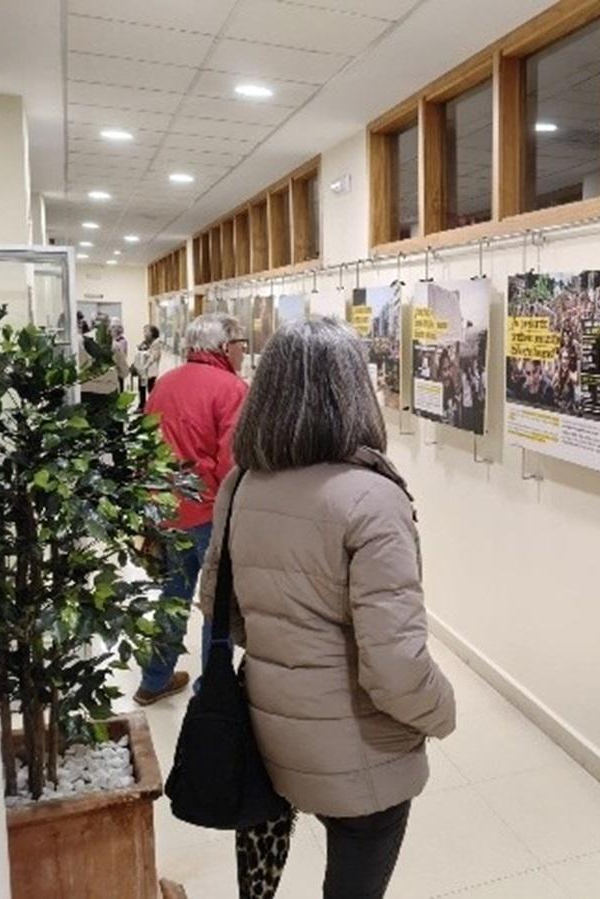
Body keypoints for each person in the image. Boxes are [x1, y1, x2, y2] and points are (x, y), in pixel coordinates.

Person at [200, 317, 455, 898]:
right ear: (353, 391)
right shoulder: (372, 498)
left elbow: (222, 610)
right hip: (361, 751)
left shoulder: (242, 484)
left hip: (267, 729)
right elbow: (396, 665)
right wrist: (442, 712)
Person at [134, 313, 249, 705]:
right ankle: (211, 693)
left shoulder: (165, 383)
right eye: (240, 344)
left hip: (166, 507)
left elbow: (146, 444)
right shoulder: (232, 389)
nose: (243, 352)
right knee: (218, 603)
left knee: (173, 594)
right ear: (224, 347)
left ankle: (153, 679)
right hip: (209, 512)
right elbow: (231, 463)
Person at [135, 324, 163, 410]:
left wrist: (146, 353)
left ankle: (153, 406)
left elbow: (154, 357)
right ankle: (142, 405)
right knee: (141, 388)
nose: (145, 334)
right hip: (143, 371)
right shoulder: (146, 343)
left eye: (146, 331)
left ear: (152, 333)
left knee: (151, 389)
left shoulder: (157, 344)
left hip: (150, 371)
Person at [110, 318, 130, 393]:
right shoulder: (110, 340)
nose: (114, 329)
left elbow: (123, 355)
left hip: (118, 368)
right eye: (112, 327)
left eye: (115, 327)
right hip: (110, 370)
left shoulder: (122, 341)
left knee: (119, 388)